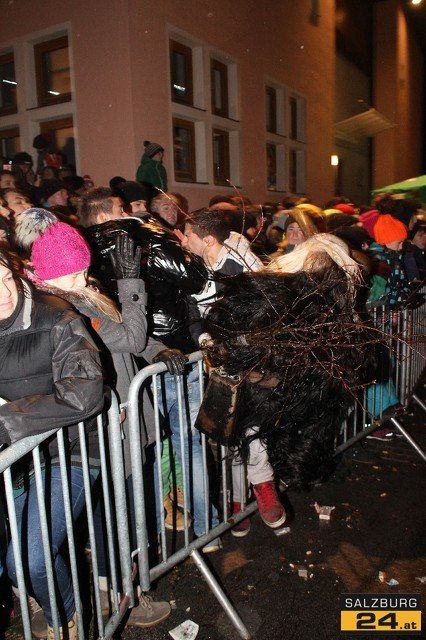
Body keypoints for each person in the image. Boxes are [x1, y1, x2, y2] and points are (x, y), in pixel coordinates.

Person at [14, 208, 172, 629]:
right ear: (51, 275)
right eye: (75, 274)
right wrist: (131, 283)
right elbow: (128, 335)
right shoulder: (62, 307)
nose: (84, 279)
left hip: (118, 420)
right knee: (116, 513)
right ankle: (121, 591)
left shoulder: (79, 294)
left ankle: (115, 585)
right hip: (102, 430)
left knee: (116, 510)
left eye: (84, 271)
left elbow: (129, 338)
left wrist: (161, 351)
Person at [77, 188, 220, 545]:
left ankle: (152, 532)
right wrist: (158, 234)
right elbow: (194, 278)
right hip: (166, 351)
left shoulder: (85, 250)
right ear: (103, 216)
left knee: (153, 447)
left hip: (139, 364)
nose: (128, 211)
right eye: (120, 208)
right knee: (186, 443)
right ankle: (206, 527)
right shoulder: (141, 238)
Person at [203, 234, 378, 490]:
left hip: (293, 391)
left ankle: (281, 477)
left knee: (281, 436)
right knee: (260, 439)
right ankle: (265, 486)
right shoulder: (277, 292)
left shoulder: (329, 304)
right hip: (272, 391)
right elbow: (224, 322)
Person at [0, 243, 104, 639]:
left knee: (30, 559)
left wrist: (8, 421)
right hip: (18, 462)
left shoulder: (56, 316)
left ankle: (68, 620)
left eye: (6, 278)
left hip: (71, 449)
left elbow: (85, 391)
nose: (5, 293)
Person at [182, 209, 285, 536]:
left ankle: (262, 486)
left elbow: (266, 313)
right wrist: (204, 338)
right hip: (215, 363)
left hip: (249, 361)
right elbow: (190, 312)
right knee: (227, 431)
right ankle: (238, 499)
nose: (183, 240)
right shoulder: (192, 268)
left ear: (208, 239)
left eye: (188, 235)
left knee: (249, 426)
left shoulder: (242, 267)